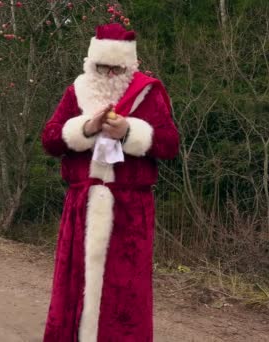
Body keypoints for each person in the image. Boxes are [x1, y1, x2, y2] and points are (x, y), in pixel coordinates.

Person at [41, 23, 180, 342]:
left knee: (126, 291)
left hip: (130, 211)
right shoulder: (76, 91)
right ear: (92, 62)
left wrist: (129, 132)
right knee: (74, 285)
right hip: (82, 206)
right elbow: (49, 139)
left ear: (127, 65)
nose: (107, 74)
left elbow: (170, 144)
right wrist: (86, 129)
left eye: (115, 68)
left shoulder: (149, 91)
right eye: (101, 66)